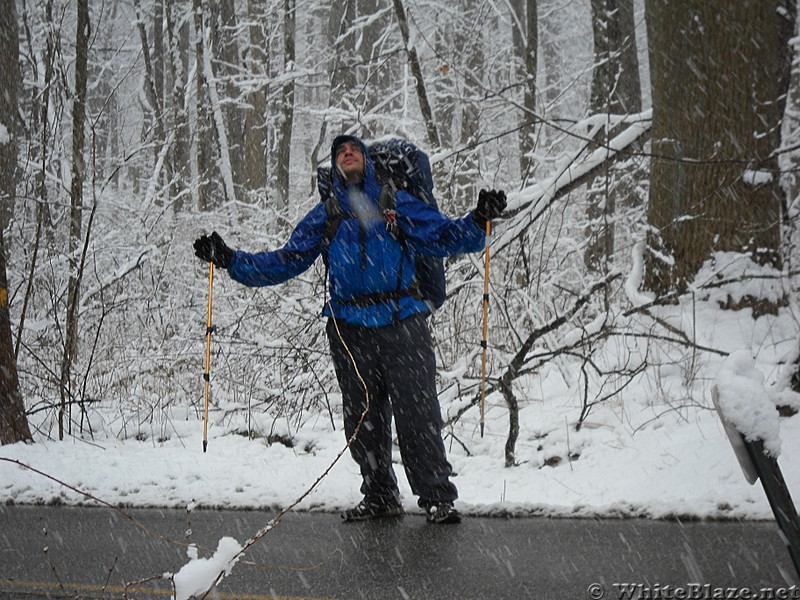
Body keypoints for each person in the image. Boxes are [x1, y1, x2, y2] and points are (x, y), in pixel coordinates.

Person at [194, 134, 506, 524]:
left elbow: (443, 236)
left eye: (354, 149)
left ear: (366, 160)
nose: (347, 154)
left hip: (402, 321)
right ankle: (380, 496)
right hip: (348, 329)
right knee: (363, 418)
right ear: (336, 166)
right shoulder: (327, 213)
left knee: (418, 414)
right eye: (340, 151)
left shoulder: (394, 202)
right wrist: (230, 260)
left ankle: (437, 497)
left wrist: (479, 220)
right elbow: (286, 261)